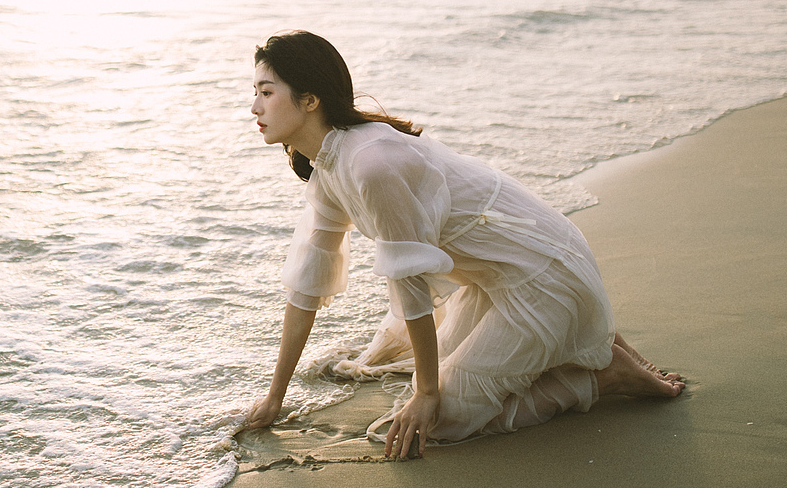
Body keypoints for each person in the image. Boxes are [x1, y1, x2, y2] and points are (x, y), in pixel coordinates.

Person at [243, 31, 683, 459]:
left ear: (310, 99)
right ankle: (579, 347)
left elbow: (411, 283)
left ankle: (605, 376)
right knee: (413, 373)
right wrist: (275, 398)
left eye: (266, 92)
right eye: (255, 93)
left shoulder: (371, 164)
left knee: (439, 420)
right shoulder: (330, 170)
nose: (254, 107)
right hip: (494, 282)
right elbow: (306, 290)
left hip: (544, 276)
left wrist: (427, 394)